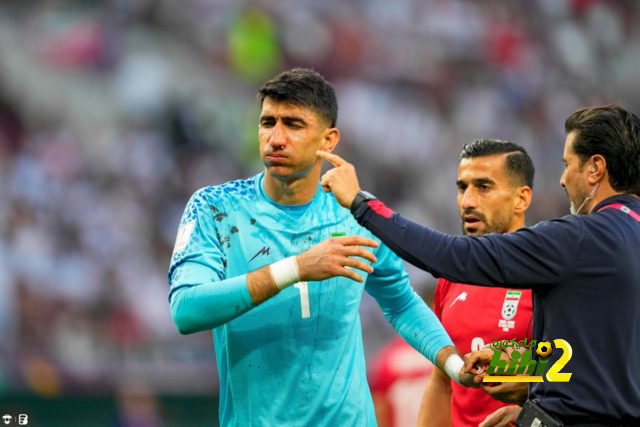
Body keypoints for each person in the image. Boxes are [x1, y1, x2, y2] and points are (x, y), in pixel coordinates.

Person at [167, 68, 476, 426]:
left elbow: (401, 302)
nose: (276, 138)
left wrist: (454, 364)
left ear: (328, 141)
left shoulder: (356, 213)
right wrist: (296, 268)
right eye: (268, 122)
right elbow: (186, 309)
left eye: (294, 125)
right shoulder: (216, 208)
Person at [318, 104, 640, 425]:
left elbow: (454, 255)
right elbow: (595, 356)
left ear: (595, 168)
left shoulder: (577, 241)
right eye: (462, 188)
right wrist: (523, 375)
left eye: (567, 164)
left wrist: (363, 205)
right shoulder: (616, 243)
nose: (561, 179)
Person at [418, 140, 534, 427]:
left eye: (483, 187)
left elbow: (582, 375)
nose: (468, 201)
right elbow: (442, 381)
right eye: (462, 187)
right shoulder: (451, 280)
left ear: (521, 199)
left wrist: (534, 404)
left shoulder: (548, 277)